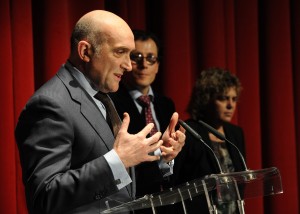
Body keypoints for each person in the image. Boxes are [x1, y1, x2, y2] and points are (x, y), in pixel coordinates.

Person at [15, 10, 185, 214]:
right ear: (85, 51)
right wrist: (118, 160)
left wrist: (160, 155)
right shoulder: (50, 104)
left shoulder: (102, 95)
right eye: (119, 52)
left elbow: (116, 179)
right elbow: (45, 196)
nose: (129, 65)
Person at [110, 29, 180, 213]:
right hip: (133, 204)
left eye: (151, 58)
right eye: (136, 57)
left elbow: (176, 158)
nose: (143, 65)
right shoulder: (112, 102)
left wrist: (170, 155)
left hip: (170, 203)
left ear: (157, 65)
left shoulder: (166, 104)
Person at [173, 68, 246, 214]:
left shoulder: (235, 133)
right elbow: (176, 184)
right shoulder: (188, 132)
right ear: (206, 99)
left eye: (234, 98)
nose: (230, 105)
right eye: (223, 98)